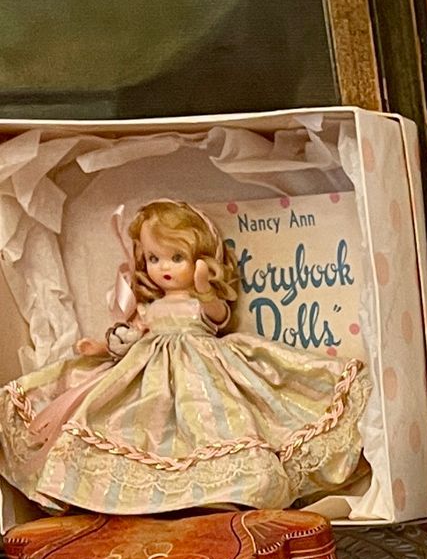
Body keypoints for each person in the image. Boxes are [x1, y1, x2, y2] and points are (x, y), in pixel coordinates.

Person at [0, 198, 367, 514]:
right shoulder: (149, 308)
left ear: (201, 258)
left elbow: (218, 316)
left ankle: (221, 490)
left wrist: (206, 288)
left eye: (177, 257)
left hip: (203, 372)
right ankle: (133, 496)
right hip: (147, 374)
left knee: (215, 422)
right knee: (125, 420)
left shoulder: (199, 302)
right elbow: (132, 337)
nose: (164, 267)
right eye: (154, 258)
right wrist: (101, 348)